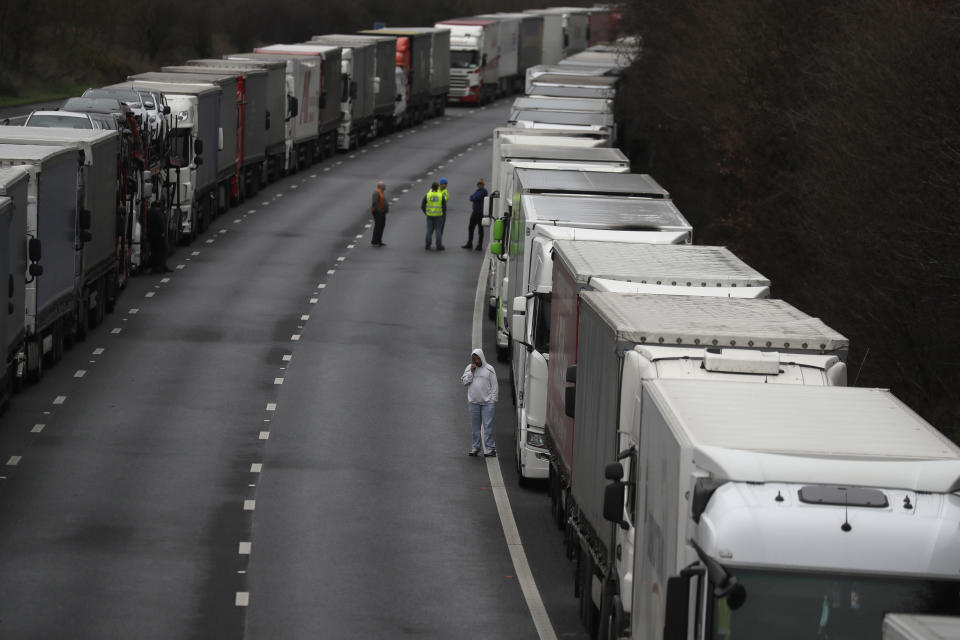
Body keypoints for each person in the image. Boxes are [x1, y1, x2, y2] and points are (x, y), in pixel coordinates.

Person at [460, 348, 498, 457]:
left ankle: (490, 449)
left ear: (481, 358)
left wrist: (492, 400)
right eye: (474, 358)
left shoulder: (490, 369)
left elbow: (495, 386)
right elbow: (464, 382)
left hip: (487, 404)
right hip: (474, 403)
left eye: (477, 358)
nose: (476, 361)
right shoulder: (469, 368)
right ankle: (476, 447)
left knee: (488, 426)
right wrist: (471, 373)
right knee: (475, 427)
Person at [146, 201, 172, 273]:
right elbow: (162, 224)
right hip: (158, 236)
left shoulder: (148, 212)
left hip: (151, 235)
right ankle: (160, 266)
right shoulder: (158, 213)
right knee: (164, 249)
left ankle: (157, 267)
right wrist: (163, 233)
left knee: (155, 251)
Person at [462, 178, 488, 250]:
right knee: (471, 227)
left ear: (483, 185)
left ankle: (479, 245)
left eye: (481, 184)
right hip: (475, 212)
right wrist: (473, 197)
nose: (479, 185)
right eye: (479, 184)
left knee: (480, 229)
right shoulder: (477, 191)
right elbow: (471, 197)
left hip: (480, 212)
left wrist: (473, 198)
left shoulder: (484, 192)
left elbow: (475, 197)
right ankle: (469, 243)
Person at [421, 181, 446, 250]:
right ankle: (439, 245)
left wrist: (426, 212)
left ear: (431, 187)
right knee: (438, 230)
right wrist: (442, 213)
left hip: (430, 216)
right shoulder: (440, 195)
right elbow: (444, 206)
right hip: (438, 215)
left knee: (429, 230)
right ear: (438, 187)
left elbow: (422, 205)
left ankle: (427, 245)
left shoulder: (428, 195)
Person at [370, 180, 389, 247]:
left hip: (382, 211)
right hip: (377, 212)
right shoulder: (376, 193)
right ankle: (375, 241)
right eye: (384, 186)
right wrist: (379, 211)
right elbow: (374, 203)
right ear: (380, 186)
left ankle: (379, 240)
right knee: (378, 226)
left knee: (381, 226)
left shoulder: (381, 192)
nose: (385, 187)